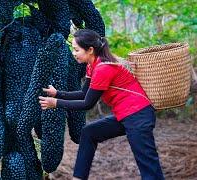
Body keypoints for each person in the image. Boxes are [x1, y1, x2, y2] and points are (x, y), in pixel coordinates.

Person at [38, 29, 164, 180]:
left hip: (138, 115)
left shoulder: (104, 68)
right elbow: (84, 94)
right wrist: (57, 93)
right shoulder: (93, 65)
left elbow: (87, 103)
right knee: (89, 133)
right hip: (124, 115)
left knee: (148, 167)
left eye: (76, 49)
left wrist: (56, 103)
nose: (73, 53)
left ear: (90, 50)